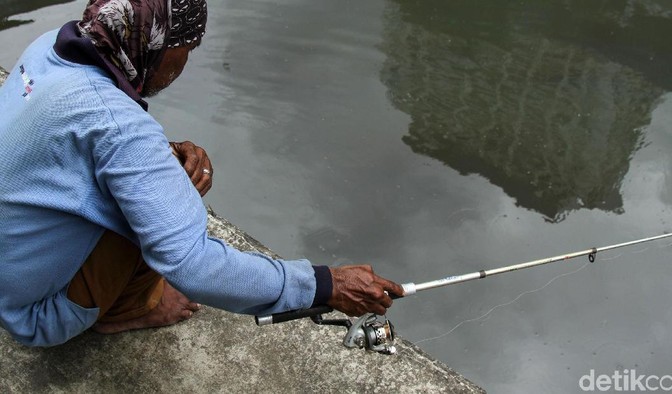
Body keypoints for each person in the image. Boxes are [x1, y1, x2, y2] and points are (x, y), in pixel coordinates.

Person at [0, 0, 403, 347]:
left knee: (166, 178)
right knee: (170, 206)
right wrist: (325, 283)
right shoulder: (117, 126)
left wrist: (161, 154)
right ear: (156, 43)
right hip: (33, 314)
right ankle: (128, 307)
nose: (184, 63)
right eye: (187, 48)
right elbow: (194, 265)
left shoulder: (51, 46)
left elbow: (86, 140)